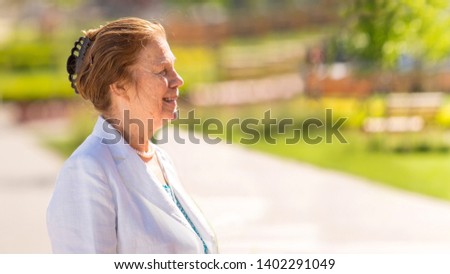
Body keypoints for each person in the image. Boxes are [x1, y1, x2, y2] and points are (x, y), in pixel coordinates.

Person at [47, 17, 218, 254]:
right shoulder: (87, 170)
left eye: (173, 68)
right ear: (118, 85)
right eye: (162, 71)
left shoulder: (160, 160)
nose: (178, 80)